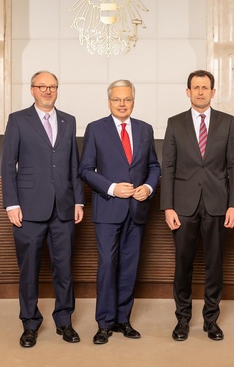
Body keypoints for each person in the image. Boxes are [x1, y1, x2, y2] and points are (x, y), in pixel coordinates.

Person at [1, 70, 85, 348]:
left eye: (52, 87)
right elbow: (7, 166)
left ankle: (64, 321)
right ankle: (30, 324)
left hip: (63, 209)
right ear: (32, 90)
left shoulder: (69, 120)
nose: (48, 91)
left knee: (65, 269)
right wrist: (11, 203)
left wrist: (78, 200)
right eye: (42, 86)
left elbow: (74, 165)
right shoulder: (17, 120)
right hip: (28, 209)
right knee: (29, 270)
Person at [160, 69, 234, 342]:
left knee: (214, 264)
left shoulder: (227, 122)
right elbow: (168, 168)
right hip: (183, 206)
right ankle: (182, 320)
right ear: (188, 92)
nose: (200, 92)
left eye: (205, 87)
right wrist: (168, 207)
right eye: (195, 87)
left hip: (218, 204)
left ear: (213, 92)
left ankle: (211, 320)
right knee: (183, 264)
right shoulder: (175, 123)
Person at [79, 80, 161, 345]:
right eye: (117, 99)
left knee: (129, 268)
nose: (122, 104)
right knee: (107, 266)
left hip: (137, 211)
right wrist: (112, 188)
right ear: (109, 102)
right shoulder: (95, 129)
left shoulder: (145, 129)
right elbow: (85, 170)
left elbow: (153, 166)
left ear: (133, 101)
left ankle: (123, 320)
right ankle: (103, 323)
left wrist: (148, 187)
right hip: (107, 211)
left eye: (126, 99)